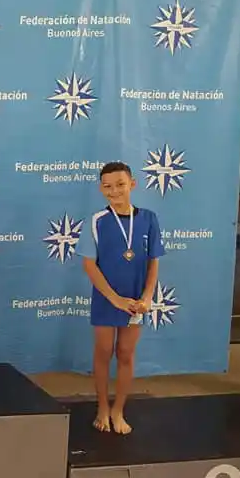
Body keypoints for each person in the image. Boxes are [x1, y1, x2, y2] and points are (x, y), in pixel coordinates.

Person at [76, 161, 164, 434]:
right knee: (103, 352)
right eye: (107, 186)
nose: (114, 191)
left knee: (126, 353)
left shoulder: (149, 218)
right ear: (101, 189)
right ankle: (102, 407)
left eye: (120, 185)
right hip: (107, 298)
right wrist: (114, 298)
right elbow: (89, 264)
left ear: (132, 184)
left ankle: (118, 410)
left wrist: (147, 296)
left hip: (136, 300)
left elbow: (154, 261)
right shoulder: (97, 221)